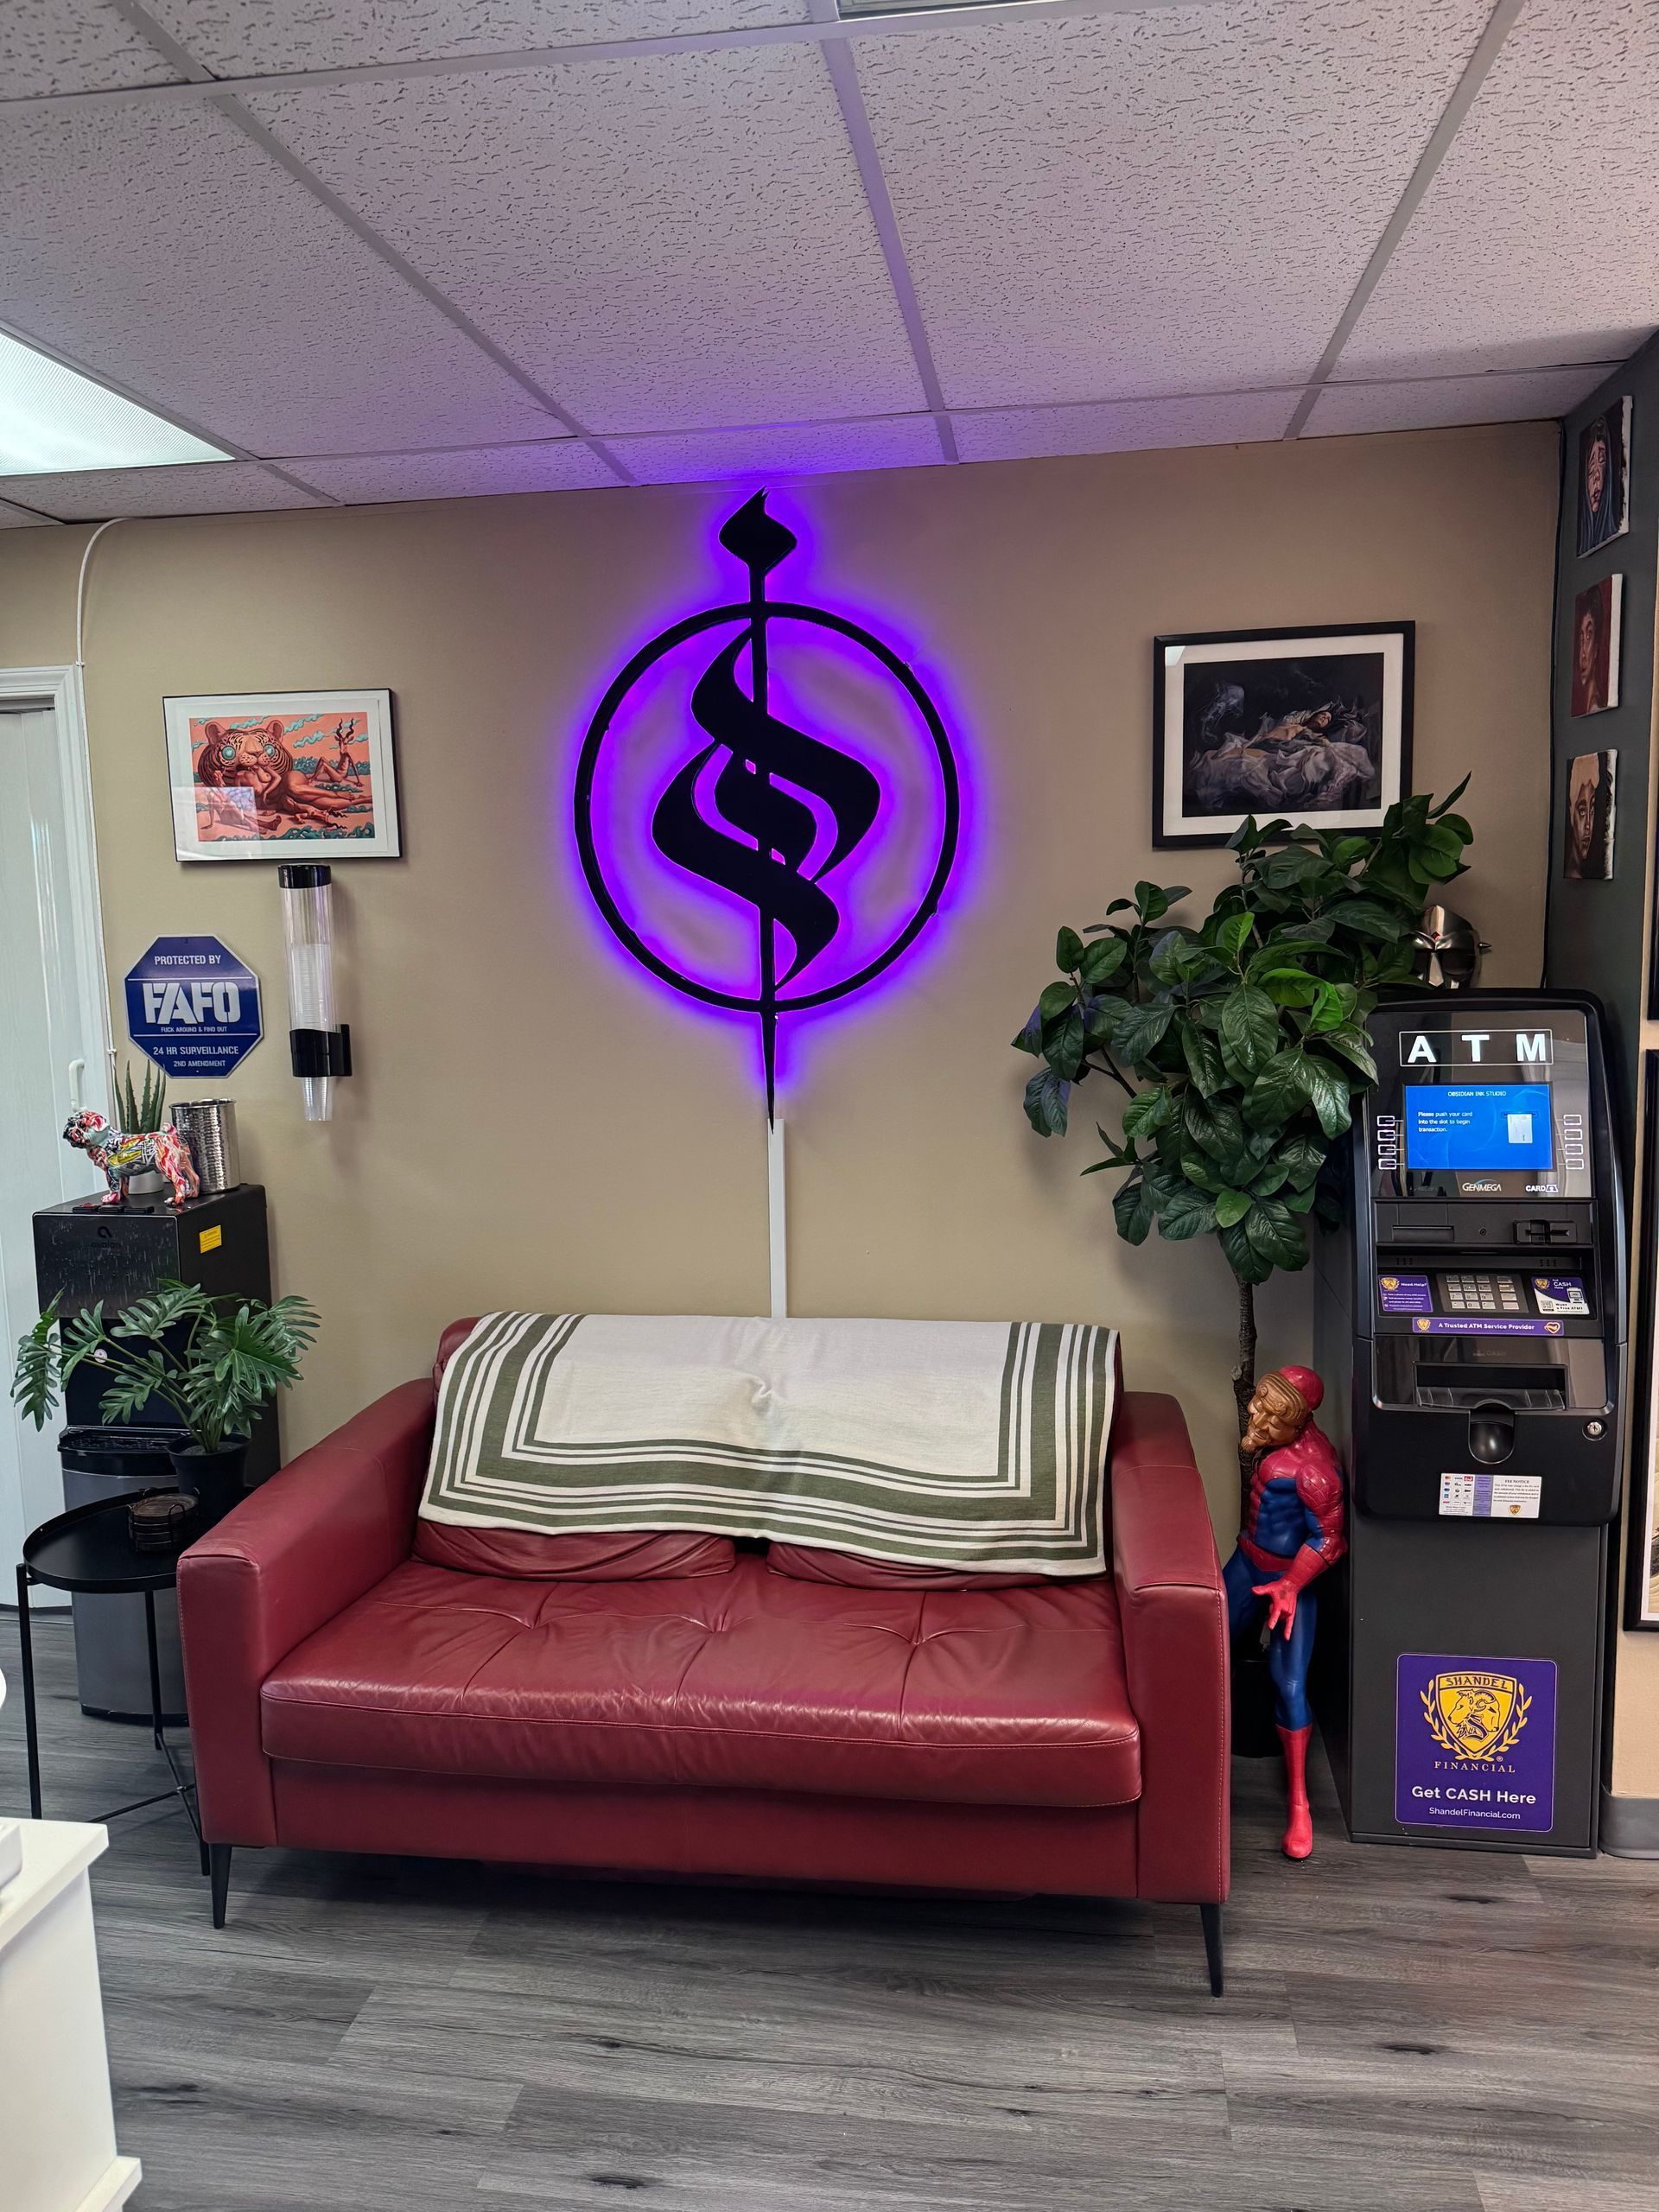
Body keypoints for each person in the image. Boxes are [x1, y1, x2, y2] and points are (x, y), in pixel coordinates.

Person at [1224, 1365, 1346, 1859]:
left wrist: (1292, 1584)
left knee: (1290, 1685)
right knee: (1200, 1651)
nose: (1259, 1418)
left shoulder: (1315, 1470)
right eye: (1260, 1404)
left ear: (1300, 1421)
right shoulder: (1269, 1441)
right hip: (1245, 1563)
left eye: (1275, 1417)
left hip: (1289, 1580)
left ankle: (1299, 1804)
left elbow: (1330, 1541)